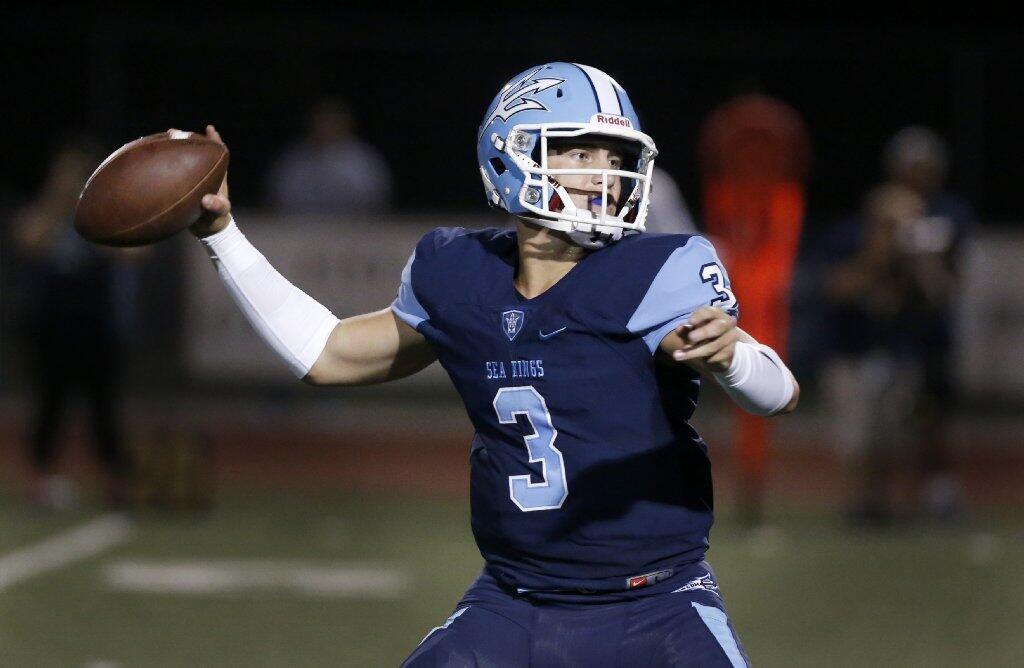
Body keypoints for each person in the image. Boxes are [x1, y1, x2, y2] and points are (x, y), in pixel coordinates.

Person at [189, 63, 798, 666]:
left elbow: (777, 394)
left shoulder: (658, 272)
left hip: (658, 605)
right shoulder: (460, 274)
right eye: (579, 155)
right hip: (514, 605)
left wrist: (732, 358)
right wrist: (222, 234)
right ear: (512, 157)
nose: (604, 178)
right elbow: (326, 352)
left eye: (613, 159)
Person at [10, 137, 135, 508]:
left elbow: (134, 252)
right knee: (50, 407)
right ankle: (42, 480)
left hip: (96, 327)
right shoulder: (42, 213)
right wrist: (56, 204)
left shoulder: (103, 215)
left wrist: (89, 213)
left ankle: (116, 483)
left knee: (103, 409)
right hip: (51, 328)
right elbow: (29, 239)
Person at [266, 97, 393, 215]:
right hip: (299, 231)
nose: (325, 127)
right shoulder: (294, 160)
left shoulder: (364, 160)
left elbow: (377, 201)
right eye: (321, 121)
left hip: (355, 232)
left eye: (332, 122)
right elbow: (277, 199)